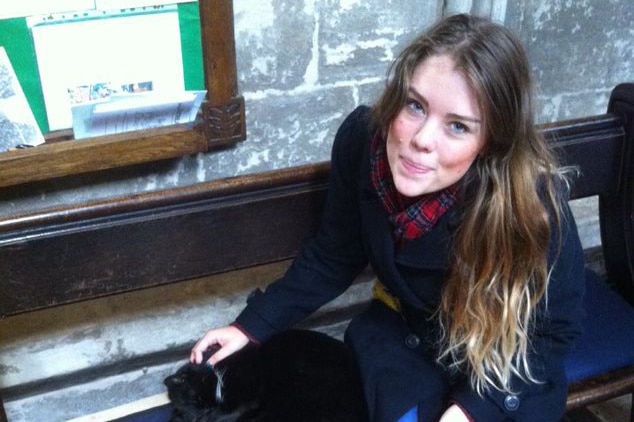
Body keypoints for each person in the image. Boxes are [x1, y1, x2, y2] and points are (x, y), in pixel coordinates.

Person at [190, 13, 585, 422]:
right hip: (408, 338)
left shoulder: (531, 201)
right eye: (415, 106)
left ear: (491, 142)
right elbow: (335, 253)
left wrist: (469, 412)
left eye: (458, 127)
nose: (421, 140)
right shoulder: (364, 142)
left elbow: (551, 334)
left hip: (502, 368)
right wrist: (251, 326)